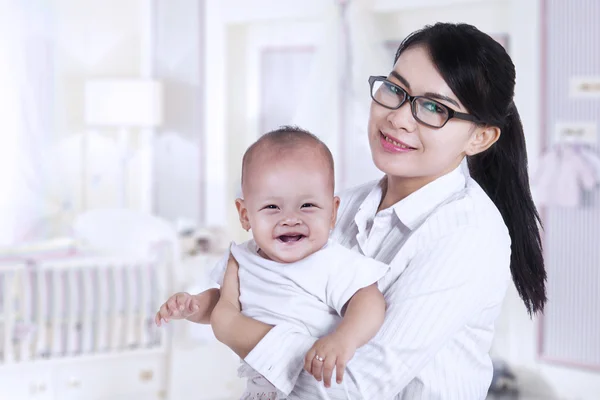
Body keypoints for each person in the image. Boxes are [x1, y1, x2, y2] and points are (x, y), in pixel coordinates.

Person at [209, 22, 547, 399]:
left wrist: (230, 327)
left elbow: (348, 388)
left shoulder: (468, 235)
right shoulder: (342, 206)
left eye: (435, 108)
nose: (399, 118)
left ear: (480, 137)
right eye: (395, 90)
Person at [155, 126, 389, 400]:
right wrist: (194, 306)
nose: (290, 218)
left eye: (307, 206)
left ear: (333, 211)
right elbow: (225, 304)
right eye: (272, 207)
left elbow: (369, 301)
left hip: (312, 385)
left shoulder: (330, 261)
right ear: (245, 215)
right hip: (260, 390)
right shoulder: (243, 258)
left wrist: (344, 339)